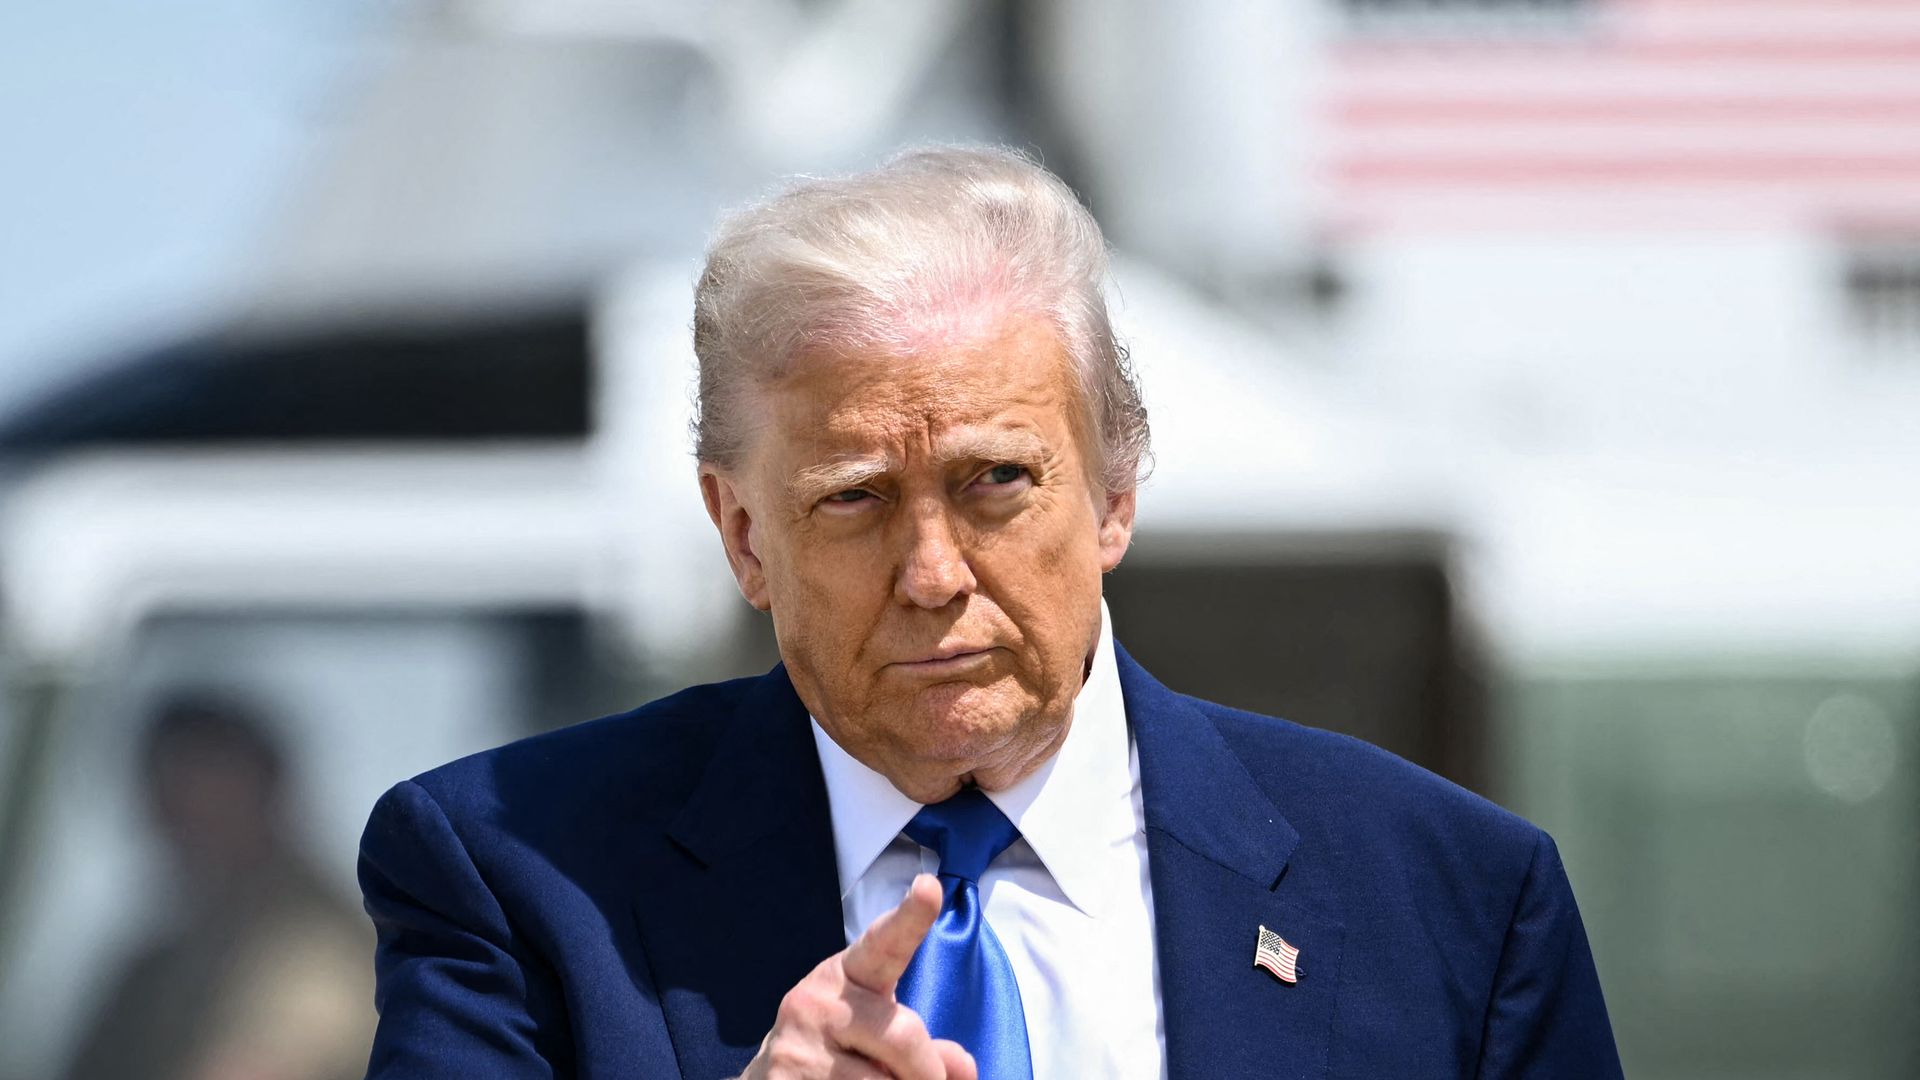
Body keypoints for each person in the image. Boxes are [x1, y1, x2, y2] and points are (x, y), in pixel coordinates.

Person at [357, 146, 1623, 1079]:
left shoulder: (1450, 901)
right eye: (854, 500)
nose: (931, 572)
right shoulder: (516, 879)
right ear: (743, 534)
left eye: (996, 482)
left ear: (1114, 492)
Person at [64, 692, 374, 1080]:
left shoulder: (315, 948)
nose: (173, 822)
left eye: (199, 791)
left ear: (267, 791)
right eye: (163, 792)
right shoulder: (158, 965)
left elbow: (263, 1062)